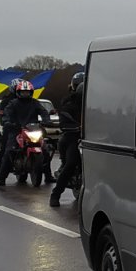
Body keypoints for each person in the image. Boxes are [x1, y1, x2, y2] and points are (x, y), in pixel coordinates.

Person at [0, 79, 42, 187]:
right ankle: (0, 177)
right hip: (13, 130)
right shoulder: (10, 102)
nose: (25, 94)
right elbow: (5, 114)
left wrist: (47, 121)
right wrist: (7, 122)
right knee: (8, 150)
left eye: (27, 92)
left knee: (45, 148)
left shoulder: (34, 102)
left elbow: (43, 111)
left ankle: (47, 174)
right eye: (22, 92)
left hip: (31, 129)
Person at [49, 72, 84, 207]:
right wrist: (75, 127)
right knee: (71, 163)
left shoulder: (94, 102)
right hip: (73, 138)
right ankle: (55, 194)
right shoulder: (69, 103)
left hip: (90, 138)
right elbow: (64, 120)